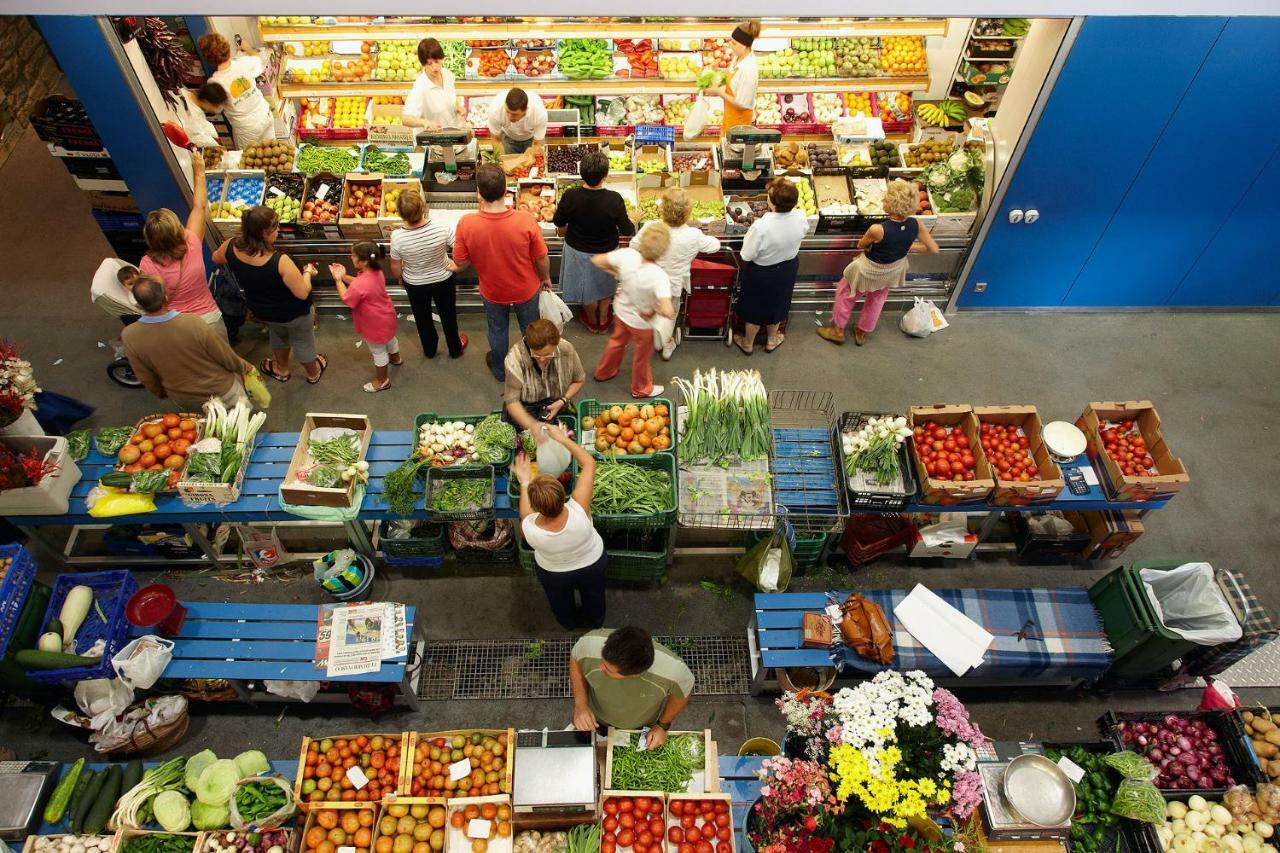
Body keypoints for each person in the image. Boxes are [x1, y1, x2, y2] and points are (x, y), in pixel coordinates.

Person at [448, 163, 550, 383]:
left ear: (479, 193)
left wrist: (452, 265)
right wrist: (546, 279)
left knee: (497, 330)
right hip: (526, 289)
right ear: (506, 191)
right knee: (531, 329)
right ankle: (534, 367)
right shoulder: (525, 220)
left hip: (493, 291)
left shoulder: (467, 223)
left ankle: (500, 369)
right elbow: (541, 257)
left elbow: (460, 261)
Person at [817, 179, 941, 346]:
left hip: (869, 270)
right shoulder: (916, 224)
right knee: (877, 299)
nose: (883, 200)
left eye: (886, 198)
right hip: (892, 271)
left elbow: (861, 244)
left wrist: (895, 244)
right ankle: (862, 331)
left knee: (845, 293)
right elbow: (933, 249)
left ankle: (837, 331)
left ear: (893, 204)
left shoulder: (878, 229)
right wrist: (907, 246)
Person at [213, 206, 327, 384]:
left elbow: (216, 258)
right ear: (264, 234)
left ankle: (281, 369)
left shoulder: (231, 246)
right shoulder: (279, 261)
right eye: (275, 228)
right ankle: (313, 373)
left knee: (278, 336)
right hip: (294, 313)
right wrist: (307, 273)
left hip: (263, 310)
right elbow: (302, 292)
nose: (278, 230)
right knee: (303, 342)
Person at [514, 423, 606, 631]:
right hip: (591, 563)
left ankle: (569, 623)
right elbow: (589, 463)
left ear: (536, 506)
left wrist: (525, 481)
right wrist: (562, 439)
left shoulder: (530, 528)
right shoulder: (579, 509)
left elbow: (525, 512)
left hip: (554, 572)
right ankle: (596, 621)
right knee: (595, 595)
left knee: (559, 602)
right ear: (562, 493)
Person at [121, 275, 252, 410]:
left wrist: (160, 392)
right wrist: (243, 367)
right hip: (221, 389)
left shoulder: (129, 335)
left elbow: (145, 375)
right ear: (166, 297)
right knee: (240, 424)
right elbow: (224, 355)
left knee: (204, 429)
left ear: (138, 304)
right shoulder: (192, 322)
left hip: (185, 398)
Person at [140, 154, 226, 338]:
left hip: (177, 326)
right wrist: (199, 171)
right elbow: (200, 206)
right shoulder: (191, 244)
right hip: (208, 319)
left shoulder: (146, 264)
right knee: (222, 362)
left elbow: (151, 299)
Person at [554, 150, 638, 332]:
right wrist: (634, 219)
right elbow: (627, 230)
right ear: (605, 175)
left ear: (581, 173)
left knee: (588, 291)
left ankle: (591, 320)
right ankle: (603, 319)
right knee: (606, 286)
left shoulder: (570, 196)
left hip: (578, 252)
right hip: (608, 253)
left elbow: (559, 222)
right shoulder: (614, 199)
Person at [591, 222, 675, 399]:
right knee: (642, 357)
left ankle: (603, 372)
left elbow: (596, 260)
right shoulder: (659, 276)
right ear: (663, 251)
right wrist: (661, 308)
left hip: (621, 312)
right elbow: (668, 310)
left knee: (616, 342)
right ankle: (641, 388)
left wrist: (617, 273)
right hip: (642, 323)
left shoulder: (627, 255)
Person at [569, 626, 694, 743]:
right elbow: (575, 659)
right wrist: (580, 705)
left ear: (634, 674)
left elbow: (684, 690)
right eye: (603, 660)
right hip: (596, 717)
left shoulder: (673, 672)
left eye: (608, 669)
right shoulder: (590, 644)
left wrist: (662, 725)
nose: (601, 667)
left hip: (639, 726)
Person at [642, 187, 723, 360]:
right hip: (674, 284)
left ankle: (654, 335)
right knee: (670, 313)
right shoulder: (693, 235)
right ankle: (666, 344)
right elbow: (715, 245)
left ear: (662, 209)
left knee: (652, 307)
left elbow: (635, 245)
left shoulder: (651, 228)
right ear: (688, 212)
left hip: (650, 281)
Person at [389, 188, 467, 359]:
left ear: (400, 215)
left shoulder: (397, 237)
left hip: (415, 284)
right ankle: (455, 348)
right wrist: (458, 266)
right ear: (423, 207)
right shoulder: (441, 227)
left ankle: (430, 350)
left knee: (422, 318)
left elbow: (395, 266)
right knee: (448, 315)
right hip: (443, 279)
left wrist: (400, 278)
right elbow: (460, 249)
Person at [733, 177, 808, 354]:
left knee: (754, 308)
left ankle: (748, 343)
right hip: (787, 269)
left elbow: (746, 254)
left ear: (771, 201)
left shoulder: (761, 226)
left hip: (761, 273)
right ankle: (772, 340)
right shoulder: (801, 218)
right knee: (778, 304)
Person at [329, 242, 401, 393]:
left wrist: (338, 280)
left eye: (353, 255)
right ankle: (396, 359)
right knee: (390, 339)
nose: (351, 257)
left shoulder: (361, 283)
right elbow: (359, 285)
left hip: (373, 323)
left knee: (378, 351)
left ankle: (382, 381)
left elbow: (347, 298)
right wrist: (344, 276)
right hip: (386, 316)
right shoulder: (376, 271)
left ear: (364, 261)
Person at [503, 319, 586, 432]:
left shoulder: (566, 350)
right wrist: (533, 426)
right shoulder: (515, 360)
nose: (542, 360)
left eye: (548, 354)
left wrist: (562, 400)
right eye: (536, 355)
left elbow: (579, 379)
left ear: (556, 345)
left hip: (557, 405)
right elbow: (512, 401)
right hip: (525, 410)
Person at [195, 33, 276, 146]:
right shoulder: (243, 63)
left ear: (207, 58)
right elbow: (258, 61)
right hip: (265, 115)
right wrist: (247, 48)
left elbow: (217, 108)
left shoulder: (215, 81)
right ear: (227, 48)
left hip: (247, 129)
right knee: (273, 155)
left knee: (248, 160)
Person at [701, 20, 760, 133]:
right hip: (730, 118)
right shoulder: (737, 58)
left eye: (734, 43)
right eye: (730, 42)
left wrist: (718, 92)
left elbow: (742, 104)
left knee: (734, 150)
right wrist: (716, 72)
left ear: (744, 45)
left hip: (741, 125)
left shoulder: (748, 70)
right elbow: (733, 80)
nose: (730, 46)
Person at [402, 38, 464, 130]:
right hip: (430, 141)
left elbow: (448, 100)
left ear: (442, 58)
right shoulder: (421, 86)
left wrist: (457, 107)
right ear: (423, 64)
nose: (435, 67)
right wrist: (426, 123)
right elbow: (405, 119)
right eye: (429, 63)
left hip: (450, 135)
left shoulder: (447, 75)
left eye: (437, 61)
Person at [487, 87, 546, 156]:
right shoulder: (495, 110)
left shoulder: (539, 113)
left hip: (531, 138)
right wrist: (502, 161)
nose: (509, 117)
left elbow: (537, 144)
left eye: (514, 114)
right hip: (508, 137)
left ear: (526, 110)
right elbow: (496, 139)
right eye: (507, 111)